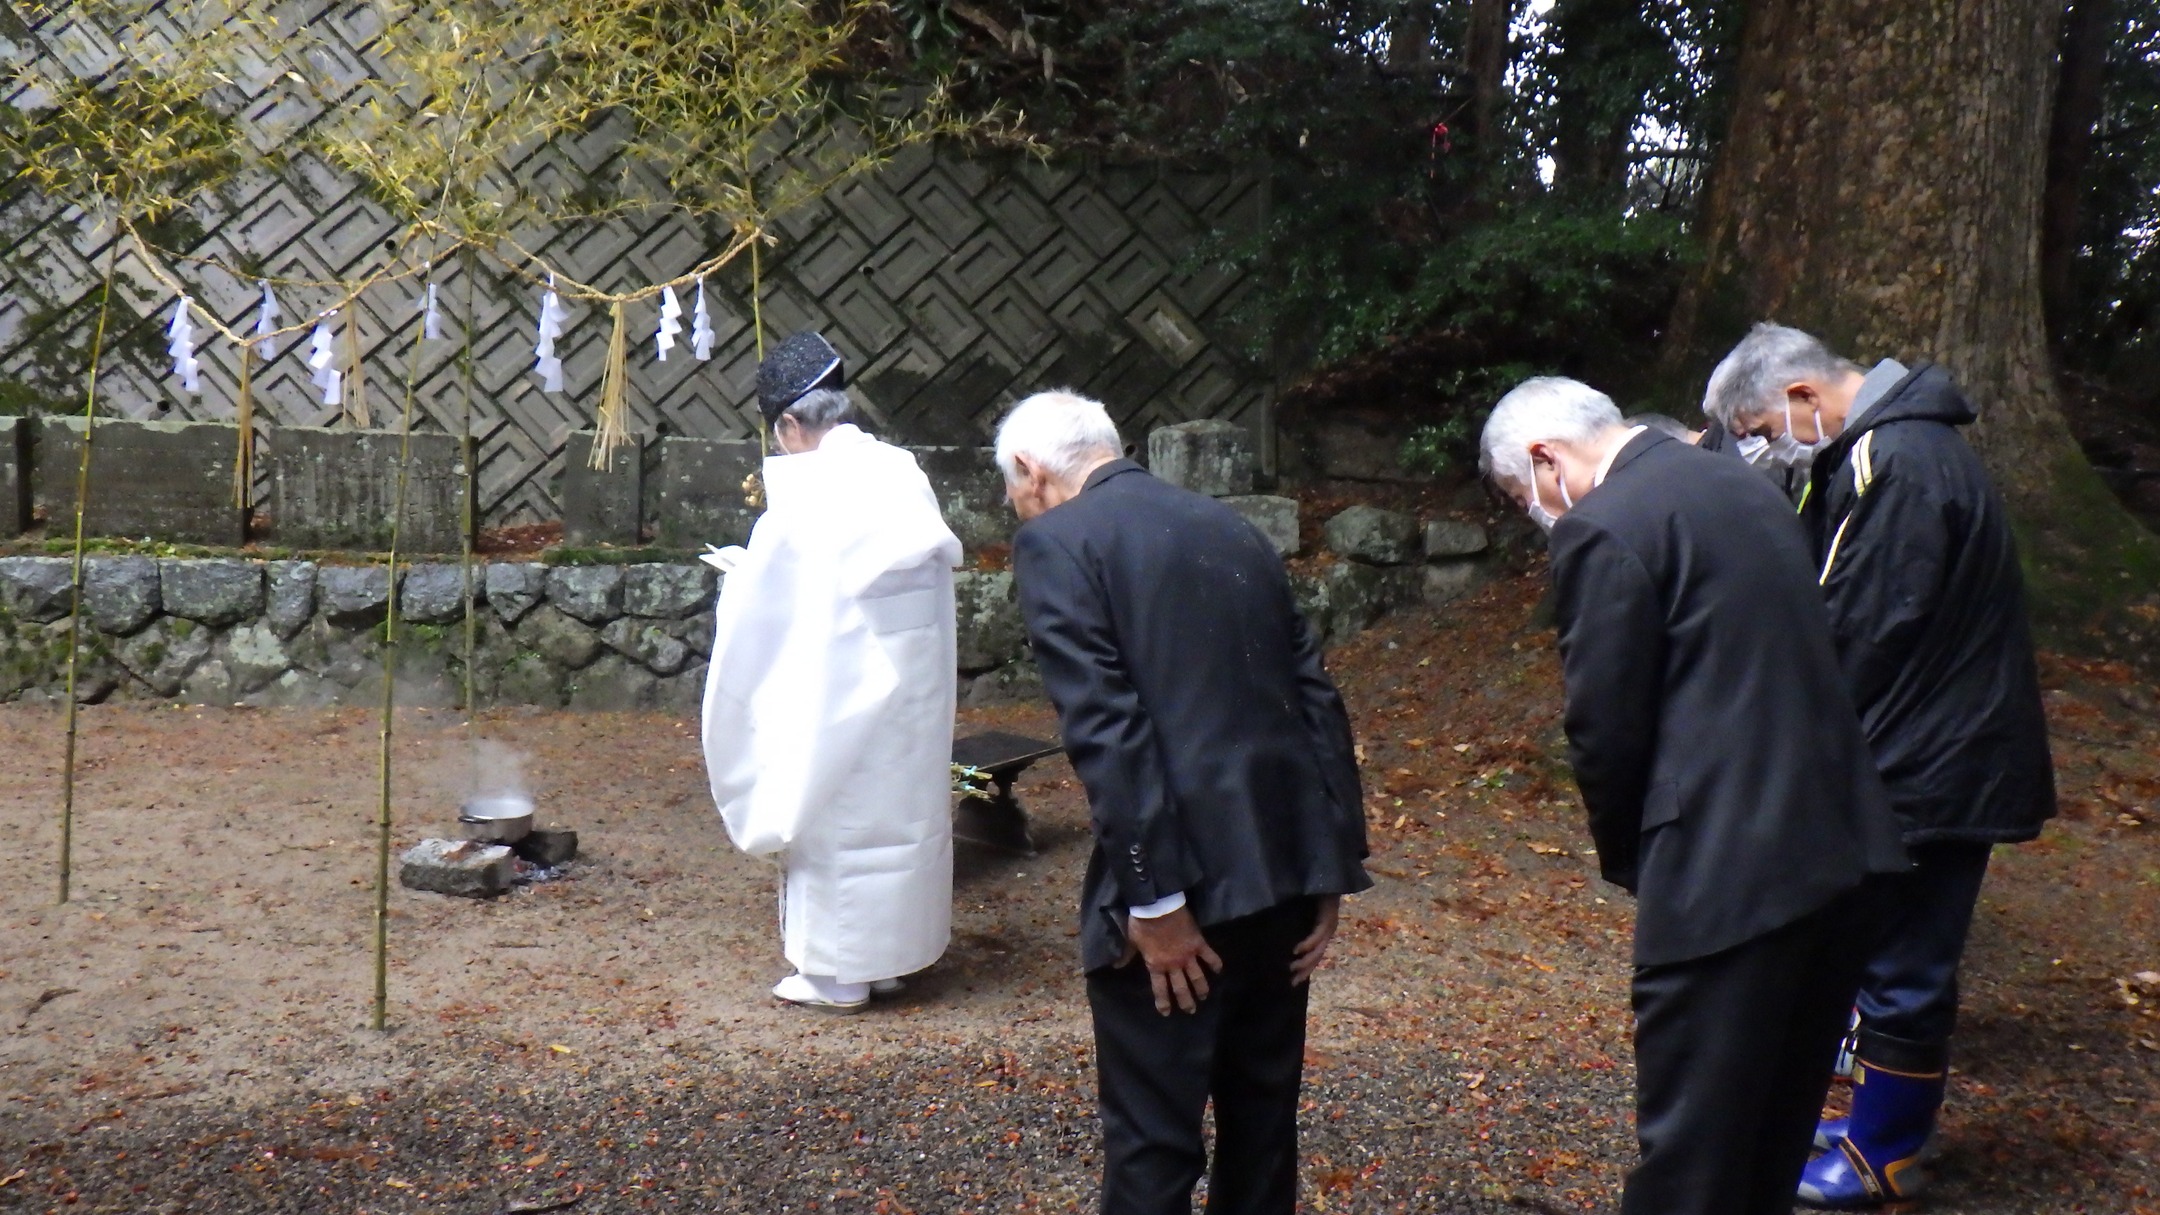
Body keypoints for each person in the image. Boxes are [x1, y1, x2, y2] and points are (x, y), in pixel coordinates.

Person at [1478, 377, 1906, 1215]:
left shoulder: (1606, 525)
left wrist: (1638, 858)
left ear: (1544, 458)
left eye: (1518, 492)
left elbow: (1606, 728)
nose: (1532, 509)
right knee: (1775, 1125)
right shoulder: (1743, 486)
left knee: (1693, 1147)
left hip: (1724, 869)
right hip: (1841, 842)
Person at [1702, 324, 2056, 1207]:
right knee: (1883, 951)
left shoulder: (1891, 462)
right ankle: (1875, 1124)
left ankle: (1885, 1152)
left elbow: (1861, 626)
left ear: (1801, 397)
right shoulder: (1902, 449)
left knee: (1905, 962)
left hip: (1931, 763)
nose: (1769, 448)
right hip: (1933, 747)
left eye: (1762, 430)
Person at [996, 390, 1370, 1215]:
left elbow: (1107, 730)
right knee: (1262, 1129)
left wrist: (1154, 898)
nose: (1016, 504)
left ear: (1031, 469)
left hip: (1182, 892)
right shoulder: (1232, 528)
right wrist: (1330, 865)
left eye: (1012, 488)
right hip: (1282, 873)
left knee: (1155, 1143)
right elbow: (1314, 697)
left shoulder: (1059, 541)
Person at [701, 331, 963, 1012]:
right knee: (901, 816)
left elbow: (774, 603)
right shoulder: (901, 472)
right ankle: (892, 958)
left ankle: (836, 974)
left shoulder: (811, 493)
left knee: (835, 818)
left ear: (790, 425)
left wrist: (738, 581)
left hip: (841, 684)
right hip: (911, 682)